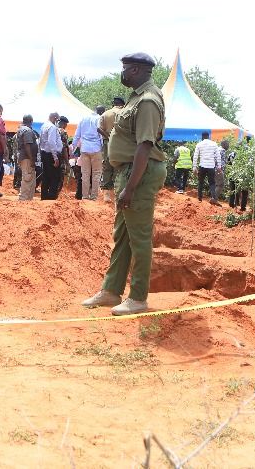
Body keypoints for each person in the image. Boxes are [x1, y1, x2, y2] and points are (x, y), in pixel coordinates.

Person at [82, 52, 167, 316]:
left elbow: (144, 146)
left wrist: (130, 187)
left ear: (138, 70)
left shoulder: (149, 100)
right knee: (123, 235)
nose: (123, 73)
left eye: (126, 68)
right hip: (129, 172)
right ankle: (111, 290)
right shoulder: (136, 97)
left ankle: (138, 297)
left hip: (139, 174)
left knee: (139, 238)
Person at [74, 106, 104, 201]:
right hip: (96, 148)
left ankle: (85, 196)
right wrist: (102, 148)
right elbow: (101, 135)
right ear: (102, 111)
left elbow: (77, 134)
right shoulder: (100, 119)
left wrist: (74, 146)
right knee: (96, 173)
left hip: (85, 148)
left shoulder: (84, 118)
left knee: (85, 174)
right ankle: (94, 197)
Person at [98, 96, 124, 203]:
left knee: (107, 166)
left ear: (113, 103)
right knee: (121, 166)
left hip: (107, 142)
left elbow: (99, 129)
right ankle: (119, 193)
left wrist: (109, 137)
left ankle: (106, 195)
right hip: (122, 142)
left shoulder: (105, 114)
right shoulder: (124, 113)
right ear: (122, 104)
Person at [39, 112, 64, 200]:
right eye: (57, 120)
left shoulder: (43, 126)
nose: (58, 122)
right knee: (54, 177)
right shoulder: (52, 127)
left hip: (45, 153)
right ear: (54, 118)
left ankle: (44, 196)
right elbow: (51, 142)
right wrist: (55, 157)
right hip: (51, 154)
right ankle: (51, 197)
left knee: (46, 176)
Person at [14, 114, 38, 200]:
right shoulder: (27, 130)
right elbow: (27, 145)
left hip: (25, 157)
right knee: (27, 178)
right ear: (31, 121)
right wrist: (31, 159)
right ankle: (23, 199)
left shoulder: (21, 129)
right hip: (27, 158)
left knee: (30, 178)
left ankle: (28, 199)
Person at [193, 132, 220, 205]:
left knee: (200, 182)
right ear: (209, 136)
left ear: (202, 137)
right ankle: (213, 198)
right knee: (212, 183)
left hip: (202, 166)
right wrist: (219, 167)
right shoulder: (214, 144)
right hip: (211, 166)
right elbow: (218, 156)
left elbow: (195, 156)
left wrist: (194, 167)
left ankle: (199, 198)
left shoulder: (199, 144)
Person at [57, 116, 72, 196]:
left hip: (50, 156)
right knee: (60, 177)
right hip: (60, 158)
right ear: (64, 124)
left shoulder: (52, 129)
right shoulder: (63, 132)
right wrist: (67, 162)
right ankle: (56, 194)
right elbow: (64, 148)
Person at [215, 140, 230, 204]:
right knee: (221, 184)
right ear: (223, 145)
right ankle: (214, 198)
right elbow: (223, 162)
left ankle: (214, 198)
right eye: (227, 144)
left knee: (216, 184)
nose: (228, 146)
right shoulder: (222, 151)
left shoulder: (217, 149)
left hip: (214, 169)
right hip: (218, 170)